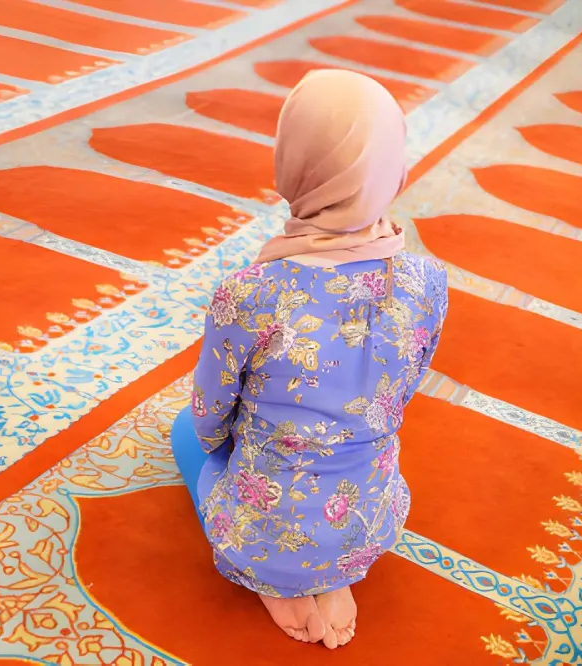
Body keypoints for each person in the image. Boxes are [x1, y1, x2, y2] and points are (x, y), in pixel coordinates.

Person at [170, 69, 449, 648]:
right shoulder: (427, 280)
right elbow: (405, 387)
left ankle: (279, 576)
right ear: (394, 171)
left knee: (183, 432)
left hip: (262, 524)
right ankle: (334, 569)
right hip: (371, 521)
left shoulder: (250, 292)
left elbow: (209, 415)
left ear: (290, 166)